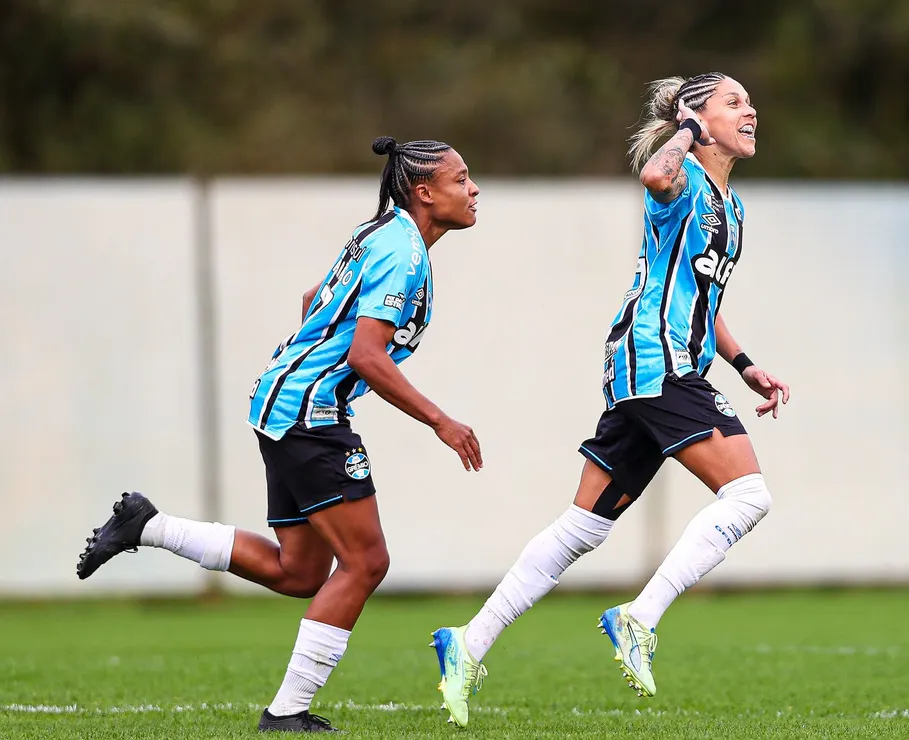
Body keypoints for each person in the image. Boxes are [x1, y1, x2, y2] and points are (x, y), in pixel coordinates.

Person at [76, 136, 484, 733]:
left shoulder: (384, 233)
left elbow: (313, 300)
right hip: (308, 415)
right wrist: (440, 421)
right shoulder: (403, 251)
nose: (473, 190)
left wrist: (312, 364)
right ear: (424, 192)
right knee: (367, 562)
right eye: (461, 179)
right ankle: (286, 713)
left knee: (299, 573)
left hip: (288, 402)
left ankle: (147, 524)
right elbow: (370, 356)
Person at [429, 72, 789, 727]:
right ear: (696, 116)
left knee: (584, 528)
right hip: (658, 364)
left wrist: (746, 365)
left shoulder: (731, 208)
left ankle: (468, 643)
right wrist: (685, 131)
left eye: (748, 101)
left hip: (655, 365)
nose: (751, 110)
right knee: (749, 495)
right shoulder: (681, 180)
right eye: (734, 102)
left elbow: (703, 300)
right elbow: (653, 178)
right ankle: (638, 618)